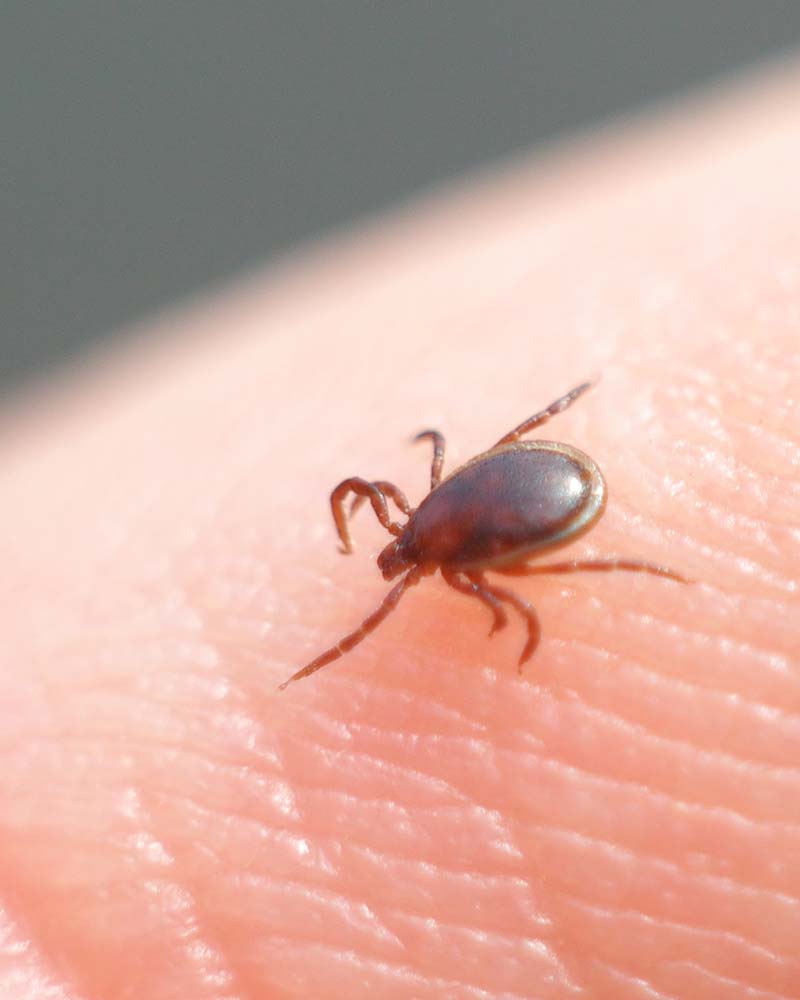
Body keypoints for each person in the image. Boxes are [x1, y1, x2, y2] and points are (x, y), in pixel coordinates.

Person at [1, 64, 798, 999]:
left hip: (518, 502)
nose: (390, 553)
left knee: (545, 570)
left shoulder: (437, 552)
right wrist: (483, 586)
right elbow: (432, 474)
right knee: (521, 543)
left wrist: (492, 606)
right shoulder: (433, 531)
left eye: (392, 541)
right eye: (393, 545)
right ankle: (590, 472)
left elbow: (422, 510)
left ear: (403, 527)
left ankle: (625, 547)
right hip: (525, 495)